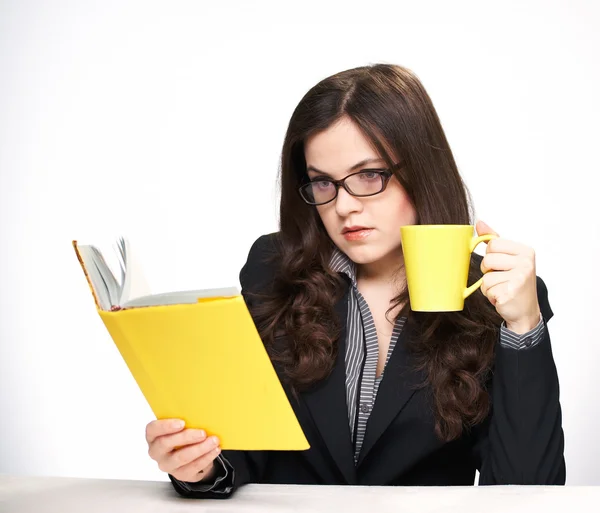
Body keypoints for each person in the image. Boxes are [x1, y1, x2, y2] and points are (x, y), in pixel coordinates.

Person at [146, 63, 565, 498]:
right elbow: (242, 447)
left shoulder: (493, 295)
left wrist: (524, 328)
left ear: (420, 172)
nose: (344, 206)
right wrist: (199, 465)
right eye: (323, 183)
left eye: (369, 176)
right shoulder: (273, 268)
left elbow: (530, 492)